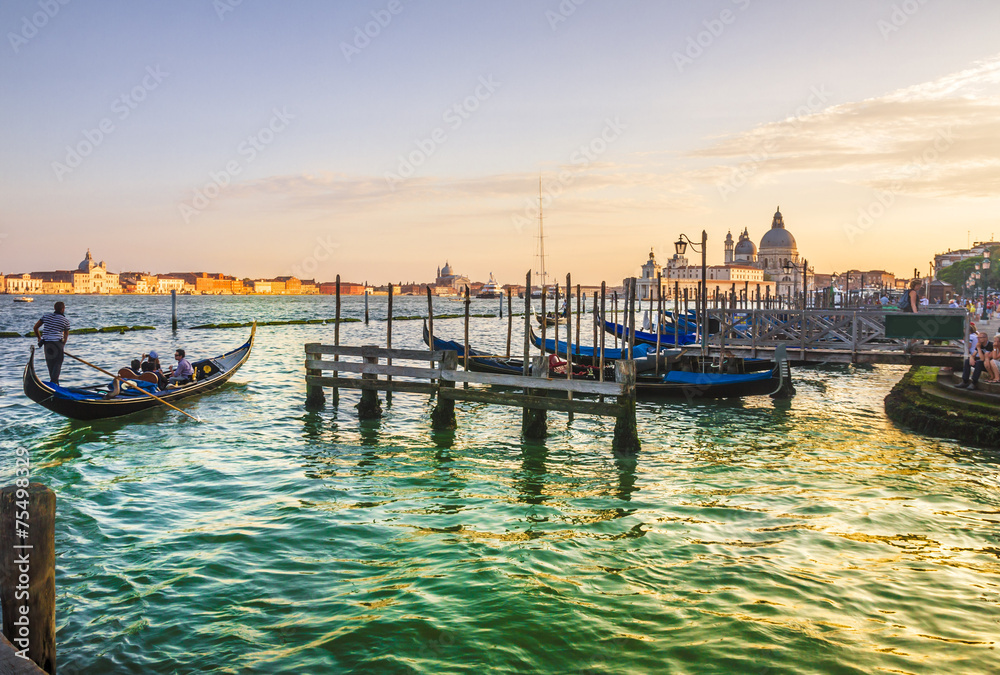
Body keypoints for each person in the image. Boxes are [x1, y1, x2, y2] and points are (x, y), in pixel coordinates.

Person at [32, 301, 70, 384]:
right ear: (63, 309)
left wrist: (39, 338)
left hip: (47, 344)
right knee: (58, 362)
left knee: (50, 364)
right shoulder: (65, 320)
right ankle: (54, 383)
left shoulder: (46, 316)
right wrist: (63, 344)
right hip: (57, 343)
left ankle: (54, 384)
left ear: (54, 308)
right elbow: (66, 334)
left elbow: (35, 328)